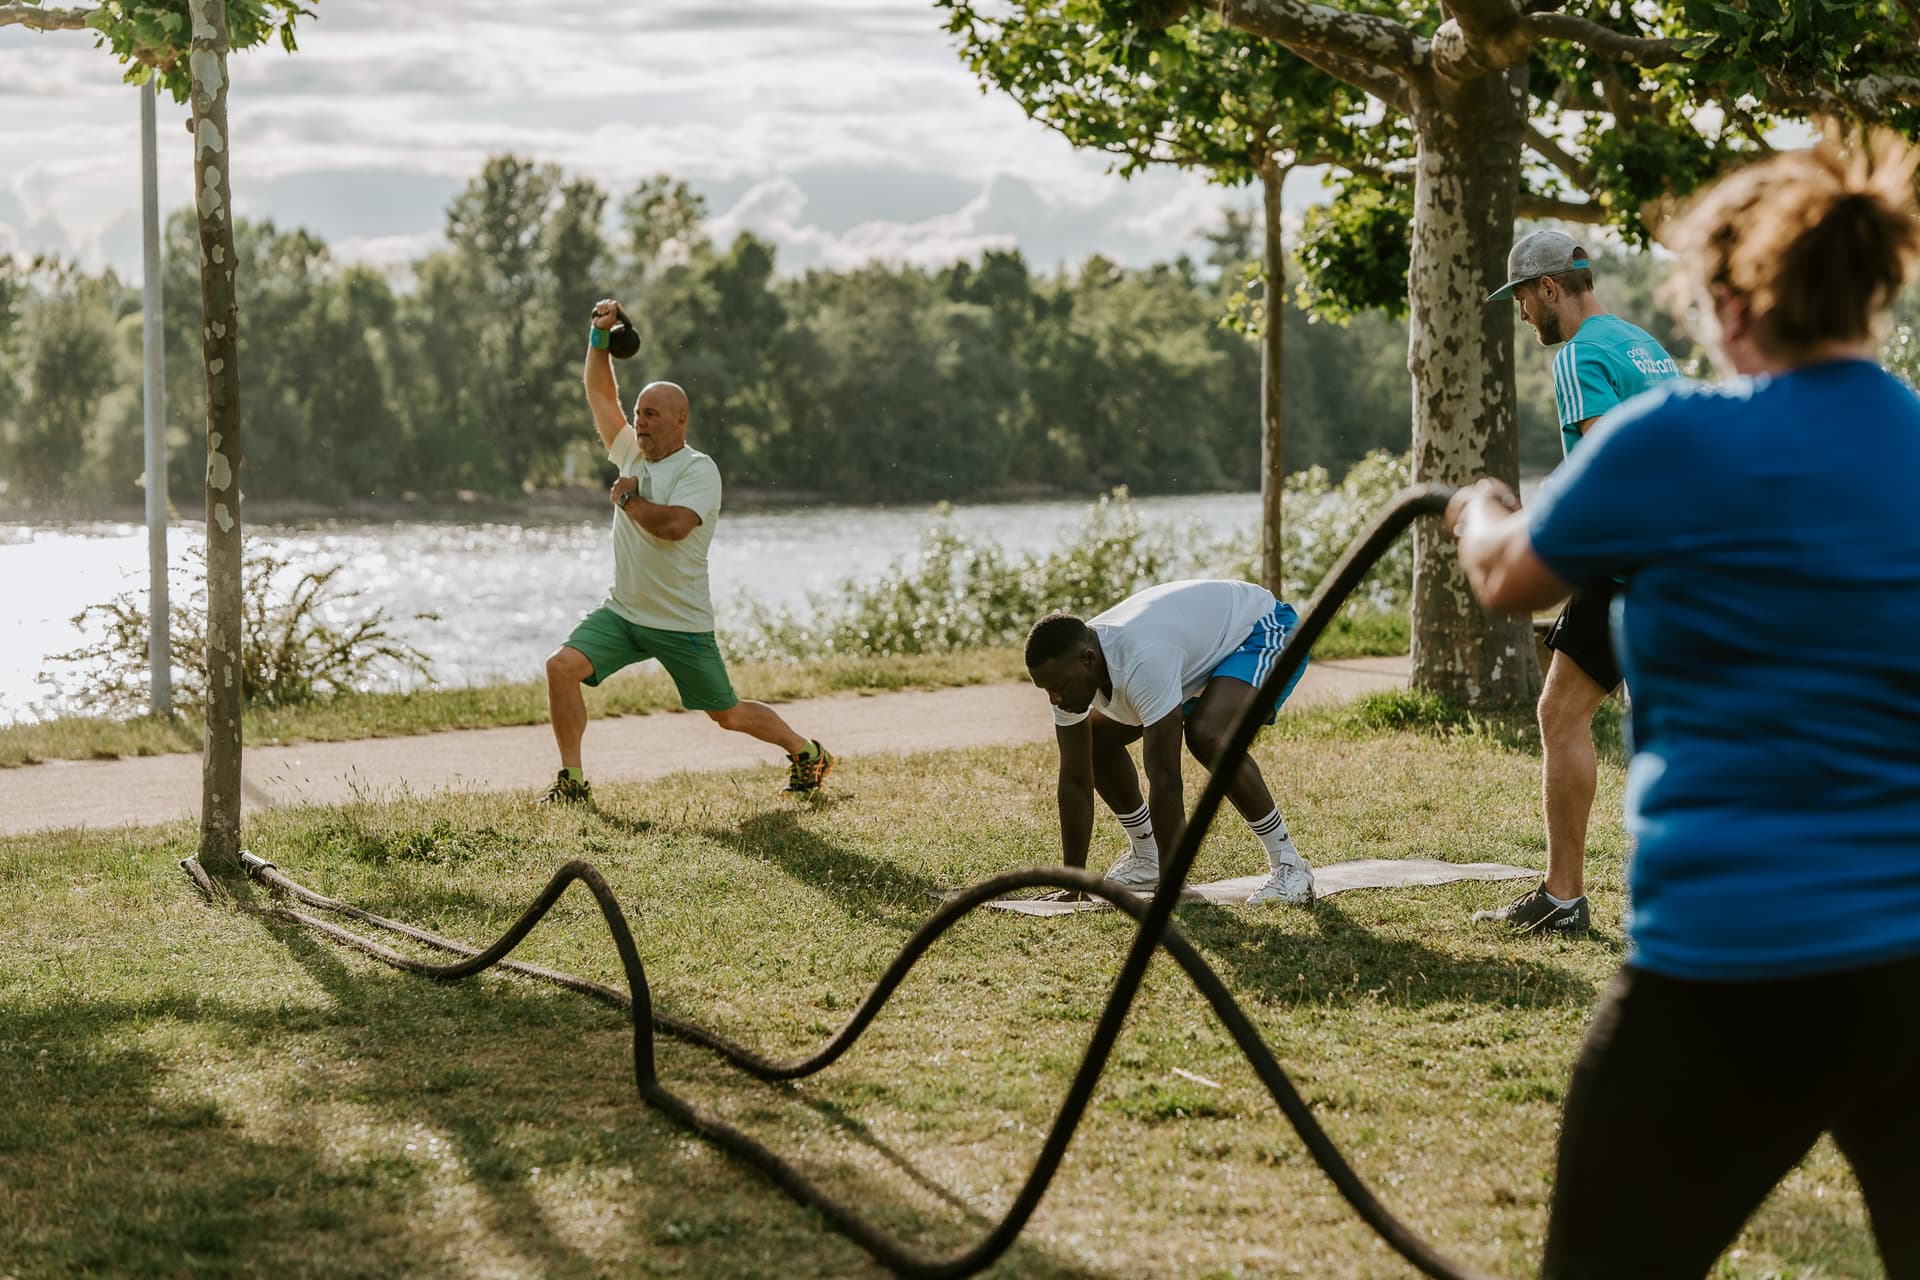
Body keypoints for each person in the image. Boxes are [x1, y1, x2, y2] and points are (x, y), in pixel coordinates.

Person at [1448, 138, 1920, 1277]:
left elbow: (1510, 577)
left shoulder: (1675, 440)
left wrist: (1477, 502)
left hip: (1726, 973)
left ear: (1723, 299)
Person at [539, 297, 833, 804]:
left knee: (727, 713)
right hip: (625, 613)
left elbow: (674, 527)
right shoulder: (630, 451)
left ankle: (807, 752)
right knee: (561, 667)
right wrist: (599, 337)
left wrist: (629, 498)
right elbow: (598, 393)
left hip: (680, 622)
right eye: (638, 414)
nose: (640, 422)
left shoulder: (699, 470)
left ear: (679, 421)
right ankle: (573, 782)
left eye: (651, 415)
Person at [1478, 229, 1681, 935]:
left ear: (1550, 288)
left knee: (1561, 716)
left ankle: (1564, 897)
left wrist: (1532, 537)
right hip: (1673, 564)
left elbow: (1605, 471)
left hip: (1625, 567)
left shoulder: (1579, 356)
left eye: (1523, 300)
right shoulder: (1642, 344)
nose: (1522, 315)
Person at [1024, 579, 1314, 904]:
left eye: (1059, 687)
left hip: (1262, 630)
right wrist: (1073, 883)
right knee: (1095, 740)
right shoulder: (1070, 671)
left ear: (1088, 660)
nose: (1055, 697)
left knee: (1207, 735)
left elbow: (1165, 779)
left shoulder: (1142, 660)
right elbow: (1075, 778)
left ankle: (1290, 865)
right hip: (1193, 657)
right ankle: (1149, 859)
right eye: (1046, 689)